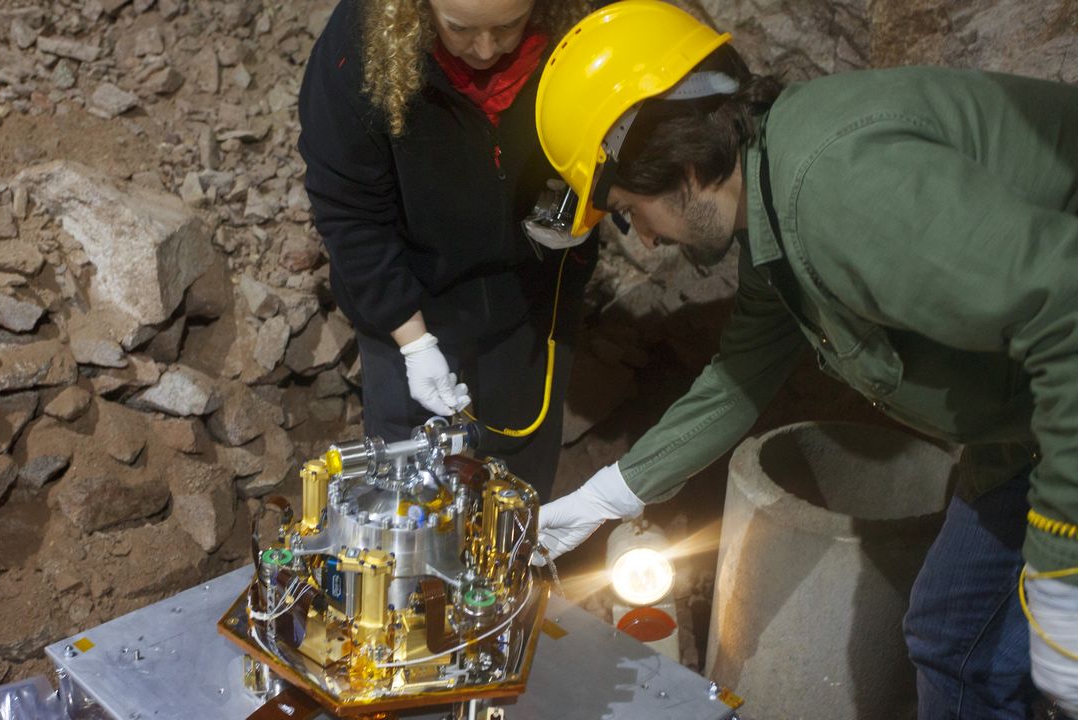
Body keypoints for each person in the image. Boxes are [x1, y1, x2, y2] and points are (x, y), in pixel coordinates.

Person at [530, 1, 1078, 717]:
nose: (650, 240)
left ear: (682, 163)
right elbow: (739, 375)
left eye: (633, 210)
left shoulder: (834, 187)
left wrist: (1061, 567)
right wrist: (607, 496)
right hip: (1025, 429)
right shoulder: (770, 202)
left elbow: (1065, 309)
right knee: (953, 637)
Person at [298, 0, 598, 500]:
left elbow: (634, 135)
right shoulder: (362, 46)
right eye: (459, 29)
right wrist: (413, 342)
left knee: (516, 491)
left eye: (509, 27)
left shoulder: (586, 25)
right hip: (410, 295)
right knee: (411, 492)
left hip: (532, 293)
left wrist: (590, 207)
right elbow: (349, 209)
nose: (485, 50)